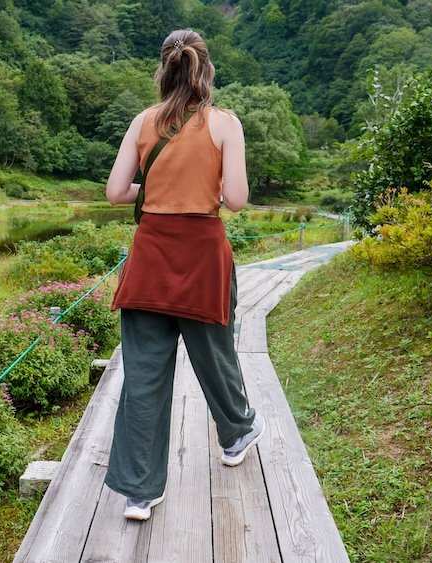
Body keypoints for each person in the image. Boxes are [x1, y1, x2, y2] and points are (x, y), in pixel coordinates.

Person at [104, 29, 264, 522]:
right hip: (202, 258)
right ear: (205, 71)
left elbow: (115, 192)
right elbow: (236, 200)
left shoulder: (142, 121)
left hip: (150, 257)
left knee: (145, 371)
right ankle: (236, 433)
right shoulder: (225, 124)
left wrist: (153, 191)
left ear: (164, 70)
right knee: (214, 355)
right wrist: (206, 190)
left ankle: (139, 491)